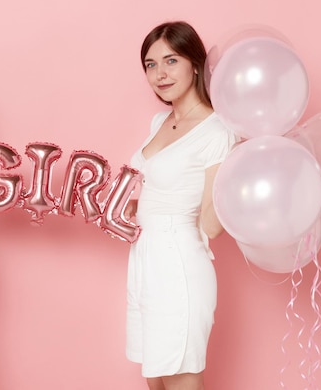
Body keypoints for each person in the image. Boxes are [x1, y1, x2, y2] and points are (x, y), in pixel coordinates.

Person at [125, 21, 237, 390]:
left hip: (179, 262)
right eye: (150, 64)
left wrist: (238, 168)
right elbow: (155, 189)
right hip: (145, 261)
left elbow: (212, 225)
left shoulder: (217, 129)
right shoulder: (160, 120)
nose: (160, 74)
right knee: (156, 380)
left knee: (181, 375)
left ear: (195, 64)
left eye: (170, 61)